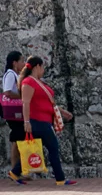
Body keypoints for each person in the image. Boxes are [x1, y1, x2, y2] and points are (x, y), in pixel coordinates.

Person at [19, 56, 73, 185]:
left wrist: (62, 111)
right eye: (42, 67)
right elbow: (25, 103)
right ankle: (60, 179)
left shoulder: (37, 82)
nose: (43, 70)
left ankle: (15, 172)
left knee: (36, 148)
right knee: (53, 148)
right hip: (38, 120)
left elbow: (48, 102)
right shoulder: (28, 82)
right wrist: (26, 122)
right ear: (37, 66)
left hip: (44, 120)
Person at [1, 52, 22, 182]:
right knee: (18, 138)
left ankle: (16, 170)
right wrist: (22, 96)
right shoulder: (10, 75)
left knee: (17, 139)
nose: (23, 64)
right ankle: (15, 170)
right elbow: (7, 92)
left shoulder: (14, 74)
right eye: (21, 61)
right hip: (13, 111)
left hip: (15, 111)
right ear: (14, 62)